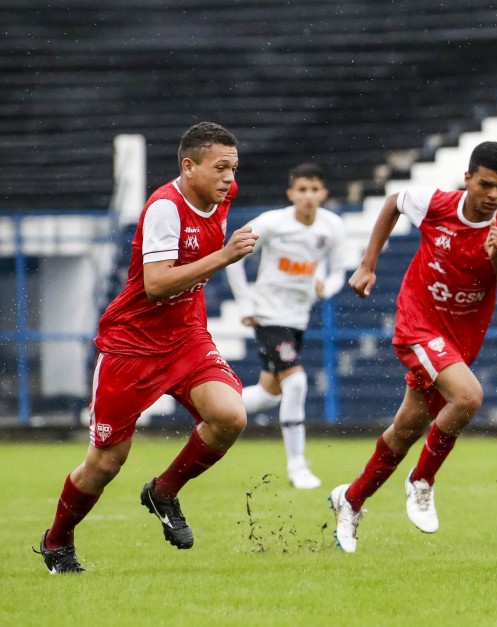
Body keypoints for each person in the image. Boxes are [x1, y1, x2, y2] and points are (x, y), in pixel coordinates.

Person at [36, 122, 259, 574]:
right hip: (132, 346)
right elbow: (156, 285)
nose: (229, 180)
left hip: (186, 337)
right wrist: (224, 257)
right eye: (220, 168)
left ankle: (164, 492)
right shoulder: (164, 207)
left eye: (233, 169)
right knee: (105, 463)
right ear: (188, 166)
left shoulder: (220, 197)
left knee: (230, 416)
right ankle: (57, 542)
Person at [329, 141, 497, 553]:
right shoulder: (436, 204)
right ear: (468, 179)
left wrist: (496, 259)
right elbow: (393, 202)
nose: (494, 195)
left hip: (460, 339)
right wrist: (368, 264)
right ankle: (422, 480)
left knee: (406, 429)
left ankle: (350, 500)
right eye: (486, 184)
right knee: (469, 396)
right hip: (418, 323)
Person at [225, 163, 346, 490]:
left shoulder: (332, 227)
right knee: (296, 383)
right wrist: (246, 303)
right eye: (301, 190)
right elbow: (232, 254)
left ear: (323, 193)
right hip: (268, 315)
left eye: (314, 189)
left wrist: (327, 287)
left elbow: (338, 272)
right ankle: (297, 466)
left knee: (268, 394)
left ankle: (209, 407)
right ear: (291, 193)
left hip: (297, 318)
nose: (308, 196)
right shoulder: (272, 223)